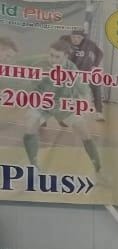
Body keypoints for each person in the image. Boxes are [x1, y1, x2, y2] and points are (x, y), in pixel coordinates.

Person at [19, 41, 103, 174]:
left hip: (65, 103)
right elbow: (18, 63)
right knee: (30, 122)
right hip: (42, 101)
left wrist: (85, 105)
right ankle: (33, 164)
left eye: (57, 57)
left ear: (66, 56)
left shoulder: (72, 69)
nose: (52, 59)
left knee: (85, 133)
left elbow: (84, 90)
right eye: (51, 55)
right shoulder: (40, 62)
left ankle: (98, 167)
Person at [58, 29, 105, 120]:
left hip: (85, 72)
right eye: (73, 37)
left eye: (78, 37)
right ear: (70, 36)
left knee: (96, 87)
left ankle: (99, 113)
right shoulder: (64, 40)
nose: (75, 39)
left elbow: (100, 53)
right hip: (70, 72)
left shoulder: (89, 44)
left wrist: (95, 65)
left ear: (83, 38)